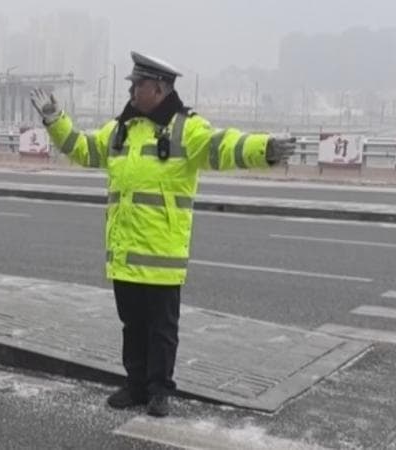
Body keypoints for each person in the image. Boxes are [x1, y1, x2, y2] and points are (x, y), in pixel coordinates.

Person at [30, 51, 296, 417]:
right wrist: (55, 121)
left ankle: (159, 390)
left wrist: (264, 148)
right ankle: (136, 386)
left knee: (162, 331)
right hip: (124, 256)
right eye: (132, 84)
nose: (132, 90)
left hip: (161, 257)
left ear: (158, 88)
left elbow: (224, 146)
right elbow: (83, 148)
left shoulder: (186, 128)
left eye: (137, 84)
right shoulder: (122, 129)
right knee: (132, 327)